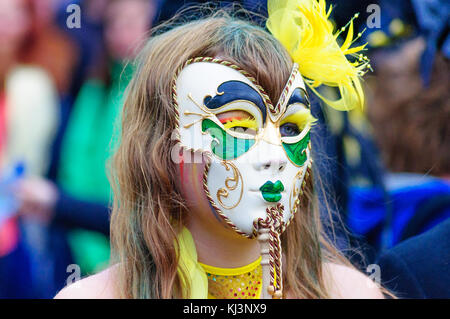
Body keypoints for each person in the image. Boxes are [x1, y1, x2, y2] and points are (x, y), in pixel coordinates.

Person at [56, 0, 387, 299]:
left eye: (289, 127)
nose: (274, 157)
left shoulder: (351, 293)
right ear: (163, 147)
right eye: (240, 127)